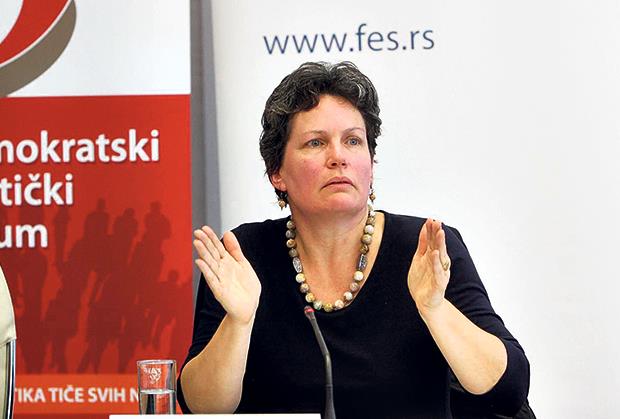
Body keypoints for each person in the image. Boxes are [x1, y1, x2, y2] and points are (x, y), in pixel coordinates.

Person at [178, 62, 530, 418]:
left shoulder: (425, 247)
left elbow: (508, 391)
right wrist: (238, 322)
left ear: (371, 165)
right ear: (277, 172)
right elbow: (201, 408)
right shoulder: (244, 255)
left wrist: (435, 309)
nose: (338, 157)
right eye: (316, 143)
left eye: (353, 141)